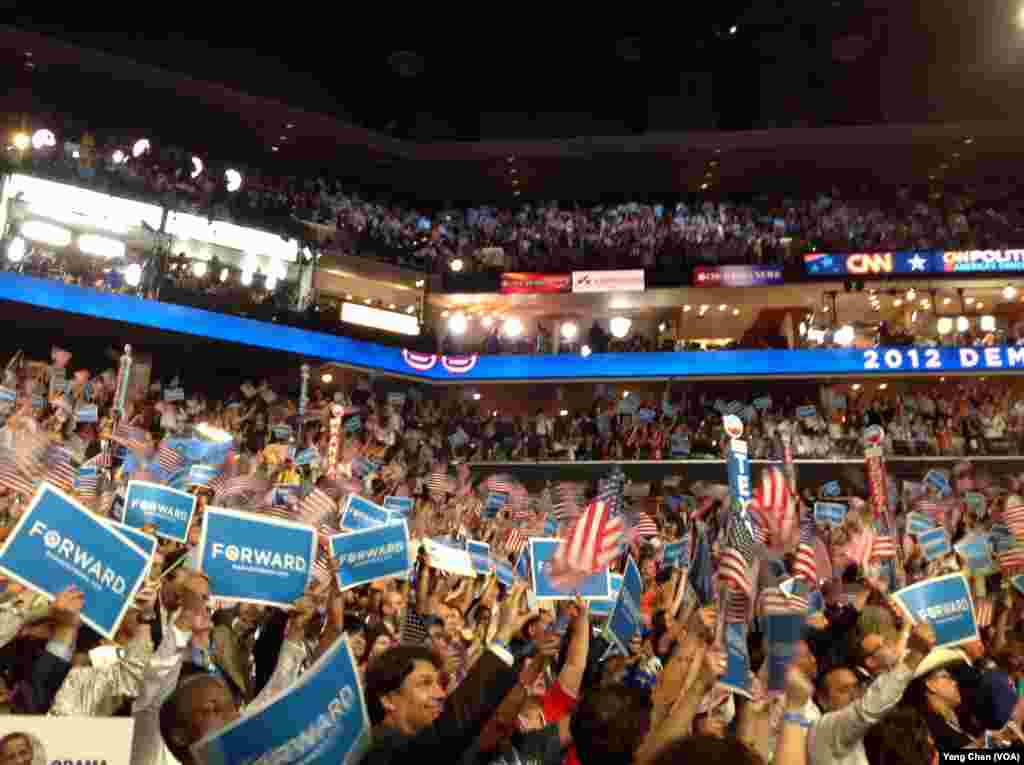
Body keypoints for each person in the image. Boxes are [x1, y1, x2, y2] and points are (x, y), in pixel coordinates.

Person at [810, 621, 935, 765]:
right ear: (822, 700)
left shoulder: (874, 731)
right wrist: (916, 654)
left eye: (856, 687)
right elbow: (866, 710)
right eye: (843, 690)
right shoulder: (823, 729)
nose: (854, 695)